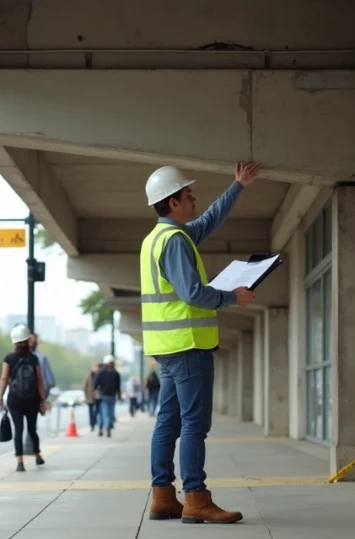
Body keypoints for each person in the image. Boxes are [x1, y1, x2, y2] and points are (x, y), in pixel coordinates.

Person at [142, 162, 260, 524]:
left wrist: (237, 186)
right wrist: (232, 298)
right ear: (173, 202)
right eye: (188, 193)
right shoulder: (175, 242)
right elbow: (192, 293)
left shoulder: (156, 239)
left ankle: (163, 496)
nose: (194, 197)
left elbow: (208, 221)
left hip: (167, 347)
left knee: (169, 421)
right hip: (188, 345)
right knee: (194, 424)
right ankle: (196, 498)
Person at [0, 324, 49, 472]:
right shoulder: (34, 359)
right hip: (32, 399)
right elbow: (40, 380)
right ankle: (37, 455)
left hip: (15, 399)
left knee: (18, 430)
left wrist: (0, 397)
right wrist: (42, 399)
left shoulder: (9, 358)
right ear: (28, 341)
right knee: (32, 429)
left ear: (14, 342)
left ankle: (20, 462)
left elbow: (3, 378)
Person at [94, 355, 121, 437]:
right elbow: (118, 386)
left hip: (103, 395)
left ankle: (102, 427)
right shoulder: (115, 373)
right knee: (110, 412)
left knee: (103, 413)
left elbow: (95, 384)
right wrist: (119, 396)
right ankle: (109, 426)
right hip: (112, 396)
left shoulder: (100, 372)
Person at [83, 363, 101, 431]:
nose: (96, 369)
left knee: (97, 411)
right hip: (90, 397)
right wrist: (86, 396)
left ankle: (96, 422)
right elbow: (84, 386)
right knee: (91, 412)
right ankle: (92, 425)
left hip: (97, 397)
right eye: (95, 368)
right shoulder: (89, 376)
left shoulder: (100, 375)